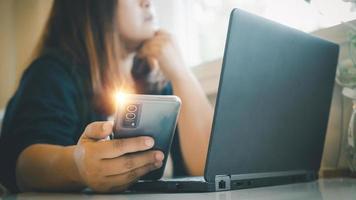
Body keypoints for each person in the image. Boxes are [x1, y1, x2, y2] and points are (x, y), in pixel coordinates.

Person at [0, 0, 213, 193]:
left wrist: (181, 74)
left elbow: (207, 166)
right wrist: (79, 166)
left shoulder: (156, 84)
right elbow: (23, 164)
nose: (148, 2)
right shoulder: (52, 73)